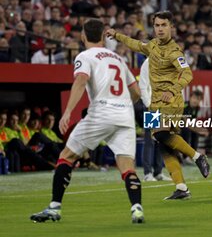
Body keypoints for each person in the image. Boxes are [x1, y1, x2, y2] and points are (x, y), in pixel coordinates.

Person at [30, 19, 145, 224]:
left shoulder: (84, 56)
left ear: (83, 36)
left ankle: (54, 208)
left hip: (101, 112)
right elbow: (136, 92)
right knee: (127, 166)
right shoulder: (119, 58)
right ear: (102, 36)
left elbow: (81, 81)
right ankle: (137, 209)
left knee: (66, 156)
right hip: (124, 116)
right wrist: (123, 104)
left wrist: (67, 112)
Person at [106, 10, 210, 200]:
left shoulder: (174, 51)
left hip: (171, 101)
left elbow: (187, 74)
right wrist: (117, 35)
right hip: (154, 103)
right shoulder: (152, 46)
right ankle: (181, 187)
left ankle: (197, 156)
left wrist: (172, 89)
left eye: (164, 25)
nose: (160, 29)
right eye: (157, 25)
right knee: (162, 143)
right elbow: (136, 44)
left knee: (161, 134)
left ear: (171, 27)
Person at [137, 58, 171, 182]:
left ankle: (158, 172)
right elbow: (143, 85)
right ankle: (147, 173)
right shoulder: (149, 62)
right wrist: (148, 104)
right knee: (150, 140)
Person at [180, 89, 209, 165]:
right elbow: (187, 123)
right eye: (194, 98)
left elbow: (193, 122)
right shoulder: (185, 105)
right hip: (175, 126)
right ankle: (184, 157)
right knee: (186, 130)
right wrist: (199, 130)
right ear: (190, 98)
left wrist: (201, 129)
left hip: (184, 126)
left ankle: (192, 156)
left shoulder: (196, 108)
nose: (195, 101)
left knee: (195, 133)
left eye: (198, 99)